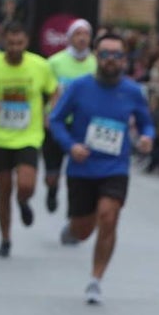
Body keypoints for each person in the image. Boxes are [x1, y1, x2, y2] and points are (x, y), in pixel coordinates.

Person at [49, 32, 154, 303]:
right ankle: (73, 228)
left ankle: (95, 279)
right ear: (96, 56)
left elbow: (146, 122)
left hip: (115, 167)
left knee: (109, 216)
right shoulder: (78, 87)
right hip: (82, 167)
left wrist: (146, 138)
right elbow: (56, 120)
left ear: (124, 59)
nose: (111, 60)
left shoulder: (132, 91)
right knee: (83, 230)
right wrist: (71, 146)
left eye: (117, 55)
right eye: (105, 54)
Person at [0, 22, 59, 258]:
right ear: (3, 42)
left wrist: (52, 111)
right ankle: (5, 238)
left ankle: (24, 201)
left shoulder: (39, 65)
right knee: (3, 190)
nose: (15, 48)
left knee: (27, 184)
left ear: (26, 43)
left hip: (28, 135)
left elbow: (54, 90)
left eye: (19, 43)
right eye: (10, 44)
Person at [45, 19, 97, 215]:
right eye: (78, 34)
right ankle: (52, 189)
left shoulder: (95, 63)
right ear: (69, 37)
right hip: (57, 123)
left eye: (86, 34)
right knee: (52, 173)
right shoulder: (55, 62)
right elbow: (48, 92)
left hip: (82, 126)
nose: (82, 38)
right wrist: (47, 116)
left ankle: (74, 212)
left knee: (77, 173)